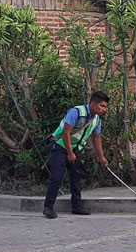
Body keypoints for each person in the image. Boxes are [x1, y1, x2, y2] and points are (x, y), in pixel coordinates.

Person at [43, 91, 111, 219]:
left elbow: (97, 138)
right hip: (60, 147)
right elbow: (66, 133)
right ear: (93, 103)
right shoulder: (76, 112)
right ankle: (48, 207)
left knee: (76, 178)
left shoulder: (96, 119)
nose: (103, 109)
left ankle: (76, 206)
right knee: (56, 177)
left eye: (105, 107)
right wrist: (69, 153)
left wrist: (102, 157)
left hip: (76, 149)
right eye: (101, 106)